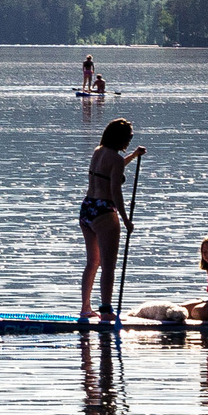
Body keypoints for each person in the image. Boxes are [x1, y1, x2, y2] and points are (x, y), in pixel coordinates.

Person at [79, 118, 144, 322]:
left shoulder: (98, 152)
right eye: (129, 137)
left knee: (93, 262)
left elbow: (111, 170)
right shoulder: (115, 159)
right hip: (104, 211)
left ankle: (85, 308)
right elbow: (116, 192)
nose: (129, 140)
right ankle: (106, 311)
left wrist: (133, 156)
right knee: (108, 265)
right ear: (120, 138)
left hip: (87, 208)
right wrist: (126, 220)